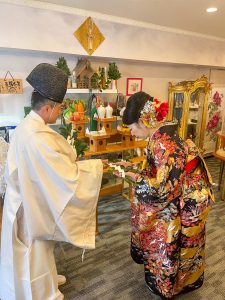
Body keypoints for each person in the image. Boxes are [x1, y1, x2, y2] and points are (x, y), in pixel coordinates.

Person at [0, 63, 103, 300]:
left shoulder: (27, 126)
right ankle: (41, 293)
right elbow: (64, 177)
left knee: (39, 253)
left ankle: (46, 279)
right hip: (28, 207)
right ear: (48, 108)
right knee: (31, 255)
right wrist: (94, 169)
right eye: (60, 108)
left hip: (23, 198)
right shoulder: (37, 137)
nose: (61, 113)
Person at [117, 91, 214, 299]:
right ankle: (171, 281)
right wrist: (134, 168)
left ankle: (172, 286)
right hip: (183, 192)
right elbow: (159, 173)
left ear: (144, 120)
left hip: (184, 200)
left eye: (132, 128)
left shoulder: (164, 143)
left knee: (168, 240)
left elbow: (162, 188)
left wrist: (133, 177)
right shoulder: (160, 135)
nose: (132, 133)